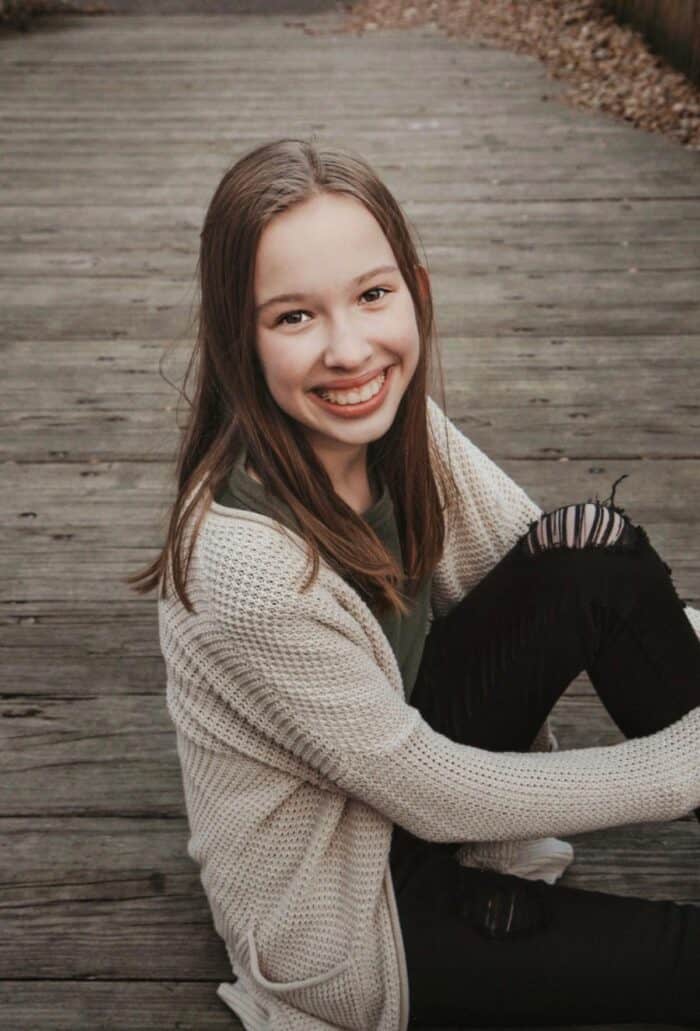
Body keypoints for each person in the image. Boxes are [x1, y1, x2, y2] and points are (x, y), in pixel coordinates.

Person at [128, 136, 700, 1030]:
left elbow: (549, 569)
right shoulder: (240, 566)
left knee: (594, 550)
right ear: (237, 337)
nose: (350, 350)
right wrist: (678, 767)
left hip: (405, 783)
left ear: (416, 291)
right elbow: (426, 785)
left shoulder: (396, 428)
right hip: (347, 915)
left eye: (371, 295)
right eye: (293, 317)